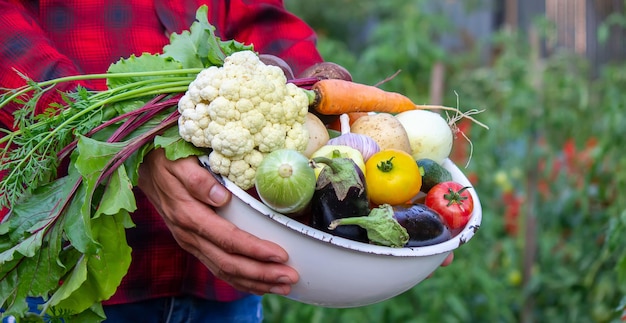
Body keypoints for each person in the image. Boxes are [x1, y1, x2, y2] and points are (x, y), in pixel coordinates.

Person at [0, 1, 453, 322]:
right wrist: (127, 140)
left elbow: (257, 17)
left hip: (224, 284)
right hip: (70, 260)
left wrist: (319, 94)